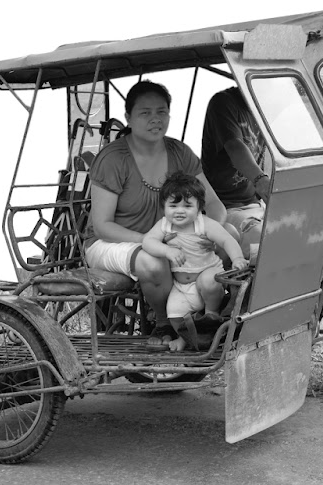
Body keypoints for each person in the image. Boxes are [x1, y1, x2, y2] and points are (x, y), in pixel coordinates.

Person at [84, 80, 228, 345]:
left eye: (161, 112)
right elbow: (103, 226)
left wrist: (213, 233)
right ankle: (162, 323)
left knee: (230, 237)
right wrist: (154, 242)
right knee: (154, 260)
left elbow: (216, 206)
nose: (155, 119)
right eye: (145, 113)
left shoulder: (180, 153)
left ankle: (210, 318)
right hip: (110, 244)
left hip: (167, 240)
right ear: (128, 117)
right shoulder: (113, 159)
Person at [142, 172, 248, 351]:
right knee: (174, 314)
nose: (180, 211)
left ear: (199, 208)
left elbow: (226, 240)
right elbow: (147, 241)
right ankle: (187, 339)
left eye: (187, 205)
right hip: (181, 285)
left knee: (209, 280)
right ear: (164, 207)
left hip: (206, 274)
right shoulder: (164, 225)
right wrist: (166, 250)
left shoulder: (203, 224)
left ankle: (211, 314)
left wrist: (237, 258)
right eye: (173, 205)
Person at [201, 86, 270, 257]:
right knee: (264, 243)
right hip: (228, 208)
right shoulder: (224, 103)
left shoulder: (268, 105)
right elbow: (234, 146)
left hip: (258, 205)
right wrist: (261, 181)